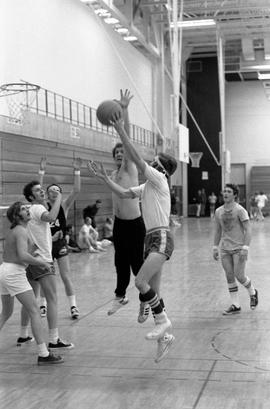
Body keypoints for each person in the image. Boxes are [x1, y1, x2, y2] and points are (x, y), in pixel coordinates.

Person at [87, 111, 177, 363]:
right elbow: (125, 193)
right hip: (151, 239)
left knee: (139, 283)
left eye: (157, 162)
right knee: (153, 290)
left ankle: (163, 321)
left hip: (161, 237)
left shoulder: (158, 179)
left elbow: (136, 159)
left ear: (164, 170)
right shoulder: (147, 186)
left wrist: (120, 129)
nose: (153, 164)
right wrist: (105, 178)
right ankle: (165, 338)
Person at [0, 202, 63, 365]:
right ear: (16, 216)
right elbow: (22, 255)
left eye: (27, 208)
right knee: (35, 311)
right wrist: (40, 263)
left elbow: (24, 251)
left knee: (6, 312)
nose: (27, 210)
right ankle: (43, 354)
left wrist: (36, 251)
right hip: (14, 273)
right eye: (23, 209)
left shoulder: (18, 230)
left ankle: (43, 351)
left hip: (5, 271)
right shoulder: (21, 231)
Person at [103, 90, 146, 318]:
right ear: (114, 156)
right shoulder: (112, 173)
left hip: (135, 224)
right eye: (117, 152)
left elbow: (127, 139)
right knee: (120, 263)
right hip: (119, 225)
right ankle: (120, 296)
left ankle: (145, 300)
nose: (121, 153)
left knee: (137, 266)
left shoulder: (130, 167)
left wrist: (125, 110)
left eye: (123, 151)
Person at [20, 180, 74, 349]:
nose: (41, 191)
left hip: (31, 259)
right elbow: (51, 217)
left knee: (31, 299)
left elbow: (36, 234)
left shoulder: (29, 211)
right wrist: (59, 198)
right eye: (37, 190)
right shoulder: (38, 208)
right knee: (52, 299)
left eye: (41, 189)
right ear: (31, 196)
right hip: (42, 260)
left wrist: (51, 239)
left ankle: (23, 335)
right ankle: (54, 339)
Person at [38, 157, 82, 319]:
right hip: (46, 246)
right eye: (52, 189)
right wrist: (41, 171)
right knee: (45, 276)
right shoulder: (43, 206)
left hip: (61, 244)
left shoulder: (64, 206)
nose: (55, 191)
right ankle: (42, 305)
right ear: (47, 194)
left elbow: (76, 190)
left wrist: (77, 171)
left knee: (66, 275)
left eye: (58, 189)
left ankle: (73, 307)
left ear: (60, 193)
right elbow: (38, 189)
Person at [213, 183, 258, 315]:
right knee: (229, 276)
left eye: (228, 192)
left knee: (239, 275)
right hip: (225, 249)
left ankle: (253, 292)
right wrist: (215, 247)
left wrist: (246, 247)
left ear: (235, 195)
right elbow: (217, 230)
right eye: (224, 191)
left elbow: (248, 229)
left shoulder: (240, 210)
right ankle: (235, 305)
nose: (225, 194)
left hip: (239, 248)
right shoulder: (218, 211)